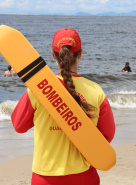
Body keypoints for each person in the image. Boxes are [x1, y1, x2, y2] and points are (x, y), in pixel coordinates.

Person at [11, 28, 115, 185]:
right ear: (80, 54)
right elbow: (107, 135)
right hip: (84, 176)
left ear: (53, 55)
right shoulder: (96, 91)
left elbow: (18, 126)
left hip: (45, 177)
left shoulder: (37, 89)